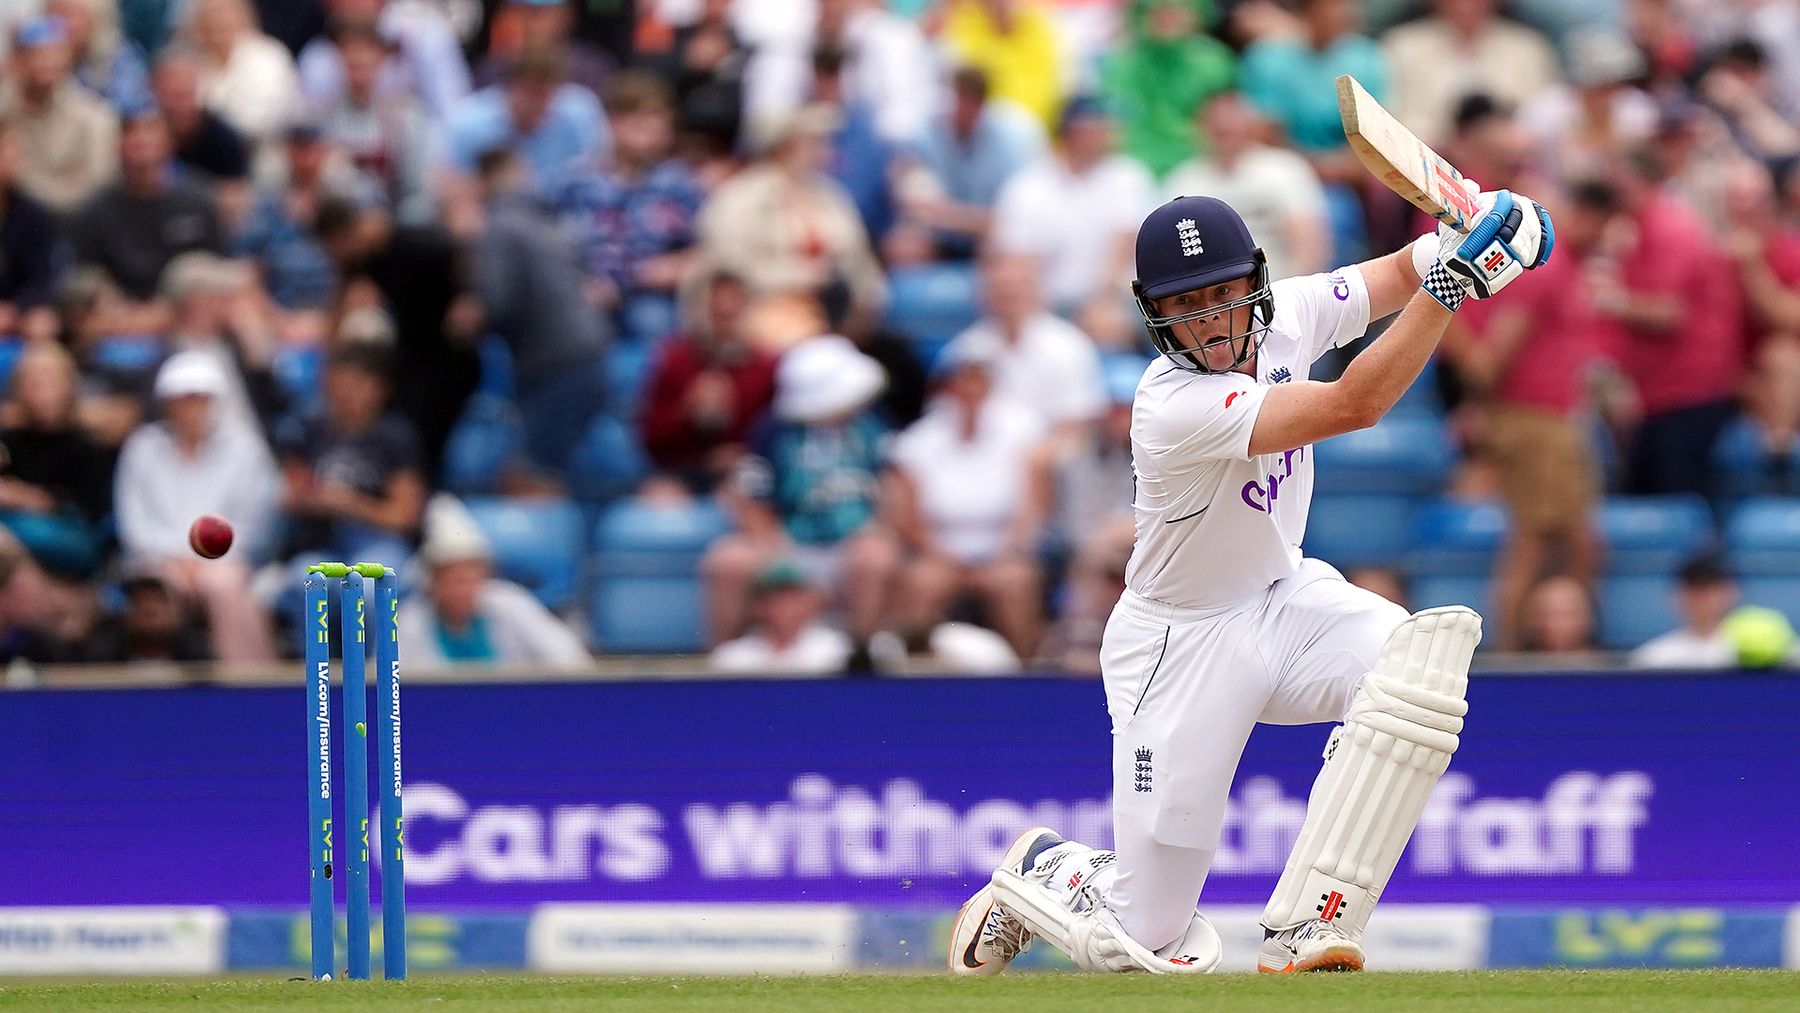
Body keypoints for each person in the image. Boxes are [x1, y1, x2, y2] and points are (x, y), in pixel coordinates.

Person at [947, 180, 1554, 975]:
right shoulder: (1171, 405)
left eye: (1225, 294)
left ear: (1255, 282)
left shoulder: (1291, 312)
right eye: (1186, 303)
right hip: (1181, 643)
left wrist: (1473, 228)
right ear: (1153, 311)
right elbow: (1354, 404)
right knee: (1143, 941)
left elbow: (1401, 270)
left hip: (1282, 597)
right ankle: (1048, 870)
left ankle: (1314, 919)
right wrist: (1457, 281)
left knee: (1415, 668)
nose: (1209, 318)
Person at [888, 344, 1051, 660]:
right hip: (940, 550)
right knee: (921, 583)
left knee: (1015, 582)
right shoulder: (919, 440)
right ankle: (912, 672)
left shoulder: (1024, 431)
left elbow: (1035, 504)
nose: (970, 391)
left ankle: (1027, 672)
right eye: (963, 382)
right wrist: (943, 556)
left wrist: (1009, 550)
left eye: (979, 381)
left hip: (1003, 549)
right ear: (948, 388)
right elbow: (907, 516)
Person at [113, 351, 279, 662]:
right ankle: (150, 689)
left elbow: (253, 522)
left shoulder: (245, 449)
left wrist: (201, 559)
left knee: (222, 584)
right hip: (156, 560)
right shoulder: (141, 448)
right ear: (167, 403)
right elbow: (134, 523)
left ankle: (250, 681)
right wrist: (179, 559)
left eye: (199, 399)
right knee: (154, 591)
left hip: (225, 561)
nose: (190, 409)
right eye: (182, 399)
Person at [475, 146, 610, 475]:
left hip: (554, 366)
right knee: (556, 470)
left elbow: (497, 301)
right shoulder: (552, 223)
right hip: (594, 355)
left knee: (533, 475)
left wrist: (469, 320)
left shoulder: (501, 223)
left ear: (483, 182)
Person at [989, 96, 1155, 347]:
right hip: (1049, 306)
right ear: (1075, 131)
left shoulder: (1127, 176)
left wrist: (1101, 302)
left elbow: (1125, 245)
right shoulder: (1029, 186)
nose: (1108, 132)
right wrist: (1039, 317)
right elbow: (1017, 261)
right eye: (1100, 126)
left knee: (1111, 324)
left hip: (1117, 302)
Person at [396, 493, 593, 668]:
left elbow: (570, 659)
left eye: (470, 578)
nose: (463, 589)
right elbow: (389, 682)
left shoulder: (511, 604)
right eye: (453, 580)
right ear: (432, 583)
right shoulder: (410, 622)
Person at [277, 342, 425, 567]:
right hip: (319, 541)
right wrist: (315, 499)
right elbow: (290, 497)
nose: (347, 393)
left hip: (378, 541)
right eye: (340, 383)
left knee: (367, 585)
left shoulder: (396, 437)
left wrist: (351, 504)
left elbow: (405, 515)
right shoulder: (310, 430)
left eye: (358, 384)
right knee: (304, 579)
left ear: (381, 388)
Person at [1164, 92, 1329, 281]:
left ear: (1250, 123)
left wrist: (1286, 298)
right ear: (1199, 128)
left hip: (1281, 286)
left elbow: (1310, 246)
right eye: (1216, 122)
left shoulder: (1286, 169)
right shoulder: (1182, 181)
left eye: (1231, 121)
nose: (1224, 127)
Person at [68, 107, 225, 306]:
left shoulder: (199, 201)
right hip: (119, 312)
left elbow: (217, 266)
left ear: (170, 141)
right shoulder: (94, 212)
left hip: (188, 309)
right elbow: (86, 277)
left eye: (151, 131)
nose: (142, 140)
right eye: (132, 132)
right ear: (117, 144)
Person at [639, 269, 777, 490]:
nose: (724, 321)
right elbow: (650, 437)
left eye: (732, 313)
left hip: (746, 469)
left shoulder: (766, 366)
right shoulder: (675, 359)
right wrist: (686, 411)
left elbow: (777, 434)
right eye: (717, 313)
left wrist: (742, 451)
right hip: (683, 469)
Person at [1100, 0, 1235, 180]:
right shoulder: (1121, 65)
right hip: (1136, 164)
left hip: (1199, 162)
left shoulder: (1214, 62)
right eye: (1156, 12)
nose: (1165, 19)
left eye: (1174, 12)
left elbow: (1224, 122)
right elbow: (1114, 125)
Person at [0, 14, 119, 215]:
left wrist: (21, 181)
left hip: (71, 229)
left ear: (68, 58)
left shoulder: (94, 117)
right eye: (35, 54)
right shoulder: (4, 110)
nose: (45, 62)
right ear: (15, 61)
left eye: (54, 53)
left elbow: (93, 190)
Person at [709, 559, 852, 674]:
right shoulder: (732, 658)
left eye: (794, 597)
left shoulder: (838, 650)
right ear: (757, 605)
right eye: (775, 597)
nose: (786, 606)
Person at [1630, 554, 1739, 669]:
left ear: (1731, 593)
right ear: (1678, 595)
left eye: (1712, 589)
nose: (1704, 598)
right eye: (1695, 589)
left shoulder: (1745, 653)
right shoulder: (1652, 657)